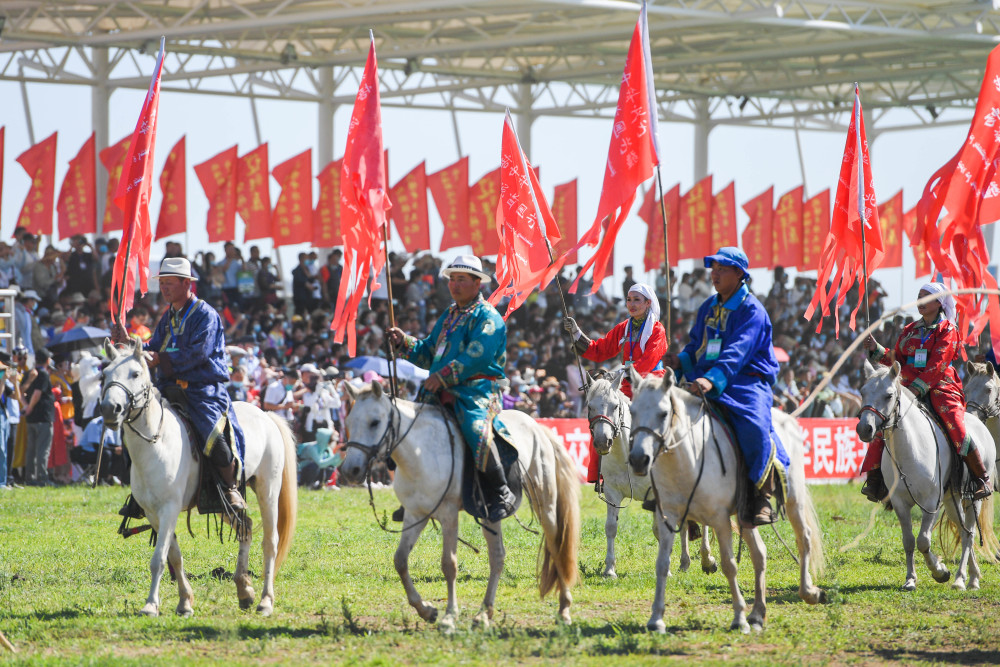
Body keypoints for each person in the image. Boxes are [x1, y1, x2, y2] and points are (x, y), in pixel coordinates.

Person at [663, 247, 787, 526]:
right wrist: (680, 360)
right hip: (704, 377)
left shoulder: (753, 310)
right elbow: (696, 345)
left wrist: (713, 379)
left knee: (754, 426)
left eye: (722, 269)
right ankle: (673, 490)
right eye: (713, 268)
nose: (714, 274)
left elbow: (738, 352)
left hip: (746, 381)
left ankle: (761, 494)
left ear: (739, 274)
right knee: (668, 416)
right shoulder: (708, 307)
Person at [111, 257, 247, 511]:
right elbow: (152, 347)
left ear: (187, 284)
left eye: (169, 283)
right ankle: (142, 493)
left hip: (202, 389)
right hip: (169, 387)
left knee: (212, 434)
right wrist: (129, 342)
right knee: (138, 425)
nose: (164, 288)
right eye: (161, 283)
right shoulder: (168, 317)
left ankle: (230, 487)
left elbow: (199, 354)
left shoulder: (206, 315)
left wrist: (161, 359)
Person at [387, 254, 515, 523]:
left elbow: (477, 356)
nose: (454, 285)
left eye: (461, 279)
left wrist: (443, 376)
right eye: (452, 279)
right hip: (441, 388)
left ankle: (501, 490)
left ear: (478, 283)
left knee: (475, 429)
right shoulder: (449, 315)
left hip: (478, 390)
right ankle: (415, 494)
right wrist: (404, 342)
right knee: (410, 425)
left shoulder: (489, 317)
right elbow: (428, 352)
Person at [861, 283, 991, 501]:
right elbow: (897, 359)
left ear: (939, 302)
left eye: (926, 297)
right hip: (907, 384)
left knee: (955, 424)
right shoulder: (910, 329)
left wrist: (915, 389)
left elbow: (938, 365)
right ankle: (875, 479)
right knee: (884, 420)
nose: (920, 300)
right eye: (919, 296)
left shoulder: (948, 330)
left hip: (940, 386)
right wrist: (876, 349)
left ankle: (981, 478)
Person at [563, 282, 667, 486]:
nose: (631, 304)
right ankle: (603, 474)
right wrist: (576, 333)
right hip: (626, 383)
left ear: (648, 303)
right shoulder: (623, 328)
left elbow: (648, 361)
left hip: (651, 382)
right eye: (629, 300)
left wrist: (621, 372)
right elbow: (599, 350)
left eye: (637, 300)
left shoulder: (657, 329)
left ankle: (664, 469)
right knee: (601, 415)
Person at [23, 347, 55, 487]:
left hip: (31, 418)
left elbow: (20, 391)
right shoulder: (43, 374)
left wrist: (26, 406)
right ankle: (42, 478)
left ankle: (29, 477)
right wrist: (30, 407)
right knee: (42, 449)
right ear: (47, 360)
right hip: (42, 417)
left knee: (31, 449)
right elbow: (37, 393)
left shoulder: (29, 373)